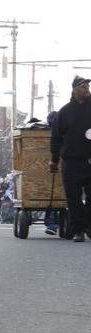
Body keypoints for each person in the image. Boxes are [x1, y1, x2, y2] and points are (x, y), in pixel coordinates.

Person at [50, 76, 91, 242]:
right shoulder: (65, 112)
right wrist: (54, 159)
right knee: (73, 199)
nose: (87, 89)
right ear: (74, 89)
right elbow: (56, 137)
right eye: (83, 86)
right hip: (72, 162)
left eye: (88, 86)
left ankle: (89, 226)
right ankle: (78, 230)